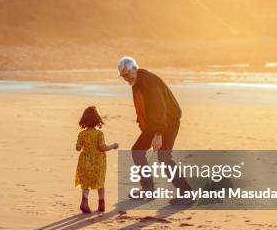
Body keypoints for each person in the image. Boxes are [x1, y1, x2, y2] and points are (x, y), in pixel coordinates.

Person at [117, 56, 193, 205]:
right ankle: (148, 189)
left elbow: (159, 108)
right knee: (137, 151)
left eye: (127, 74)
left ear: (134, 68)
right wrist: (146, 128)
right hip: (155, 123)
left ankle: (187, 194)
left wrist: (158, 135)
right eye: (123, 76)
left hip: (168, 122)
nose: (126, 78)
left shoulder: (148, 82)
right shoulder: (138, 82)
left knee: (164, 157)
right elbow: (144, 109)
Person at [75, 106, 119, 213]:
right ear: (97, 120)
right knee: (100, 183)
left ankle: (84, 202)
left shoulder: (82, 134)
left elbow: (78, 148)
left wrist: (83, 145)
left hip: (85, 161)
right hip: (98, 162)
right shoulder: (99, 134)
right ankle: (101, 204)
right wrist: (113, 146)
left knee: (86, 183)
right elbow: (102, 147)